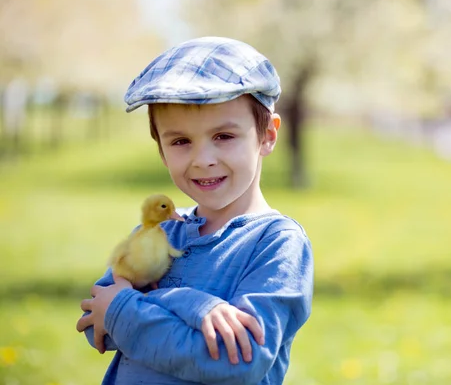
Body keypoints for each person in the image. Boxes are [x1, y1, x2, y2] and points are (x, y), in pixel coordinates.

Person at [76, 37, 314, 385]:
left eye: (223, 136)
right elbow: (98, 322)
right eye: (181, 141)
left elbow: (237, 362)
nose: (203, 160)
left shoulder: (276, 244)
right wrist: (193, 305)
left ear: (266, 134)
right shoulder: (159, 231)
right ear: (160, 148)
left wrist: (131, 308)